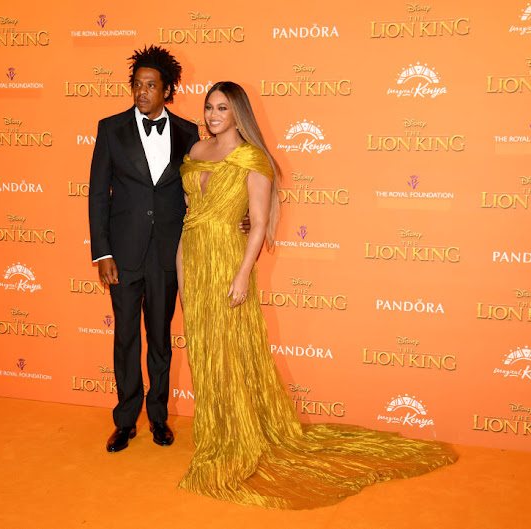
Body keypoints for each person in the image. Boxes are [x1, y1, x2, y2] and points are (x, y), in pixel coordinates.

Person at [176, 82, 457, 509]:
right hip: (193, 260)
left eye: (222, 108)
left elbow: (257, 219)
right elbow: (190, 216)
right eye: (209, 107)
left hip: (229, 265)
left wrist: (242, 275)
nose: (213, 115)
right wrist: (181, 271)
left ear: (238, 114)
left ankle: (242, 439)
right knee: (204, 350)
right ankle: (216, 434)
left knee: (232, 350)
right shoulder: (195, 152)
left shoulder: (254, 159)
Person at [88, 46, 200, 452]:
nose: (141, 91)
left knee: (159, 338)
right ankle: (125, 420)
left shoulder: (189, 132)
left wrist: (241, 215)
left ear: (167, 89)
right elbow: (99, 194)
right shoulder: (111, 129)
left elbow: (204, 189)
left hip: (168, 255)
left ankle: (158, 417)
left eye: (150, 85)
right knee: (125, 338)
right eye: (137, 84)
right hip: (122, 254)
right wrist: (102, 253)